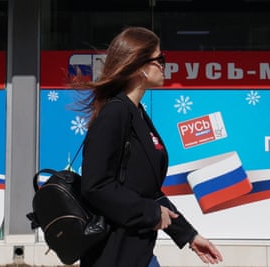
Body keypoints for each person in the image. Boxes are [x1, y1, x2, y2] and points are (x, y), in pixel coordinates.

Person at [77, 26, 223, 267]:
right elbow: (96, 185)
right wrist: (152, 214)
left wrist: (189, 235)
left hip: (139, 252)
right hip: (113, 255)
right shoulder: (115, 114)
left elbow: (149, 193)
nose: (165, 66)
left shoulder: (137, 113)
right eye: (159, 59)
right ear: (139, 66)